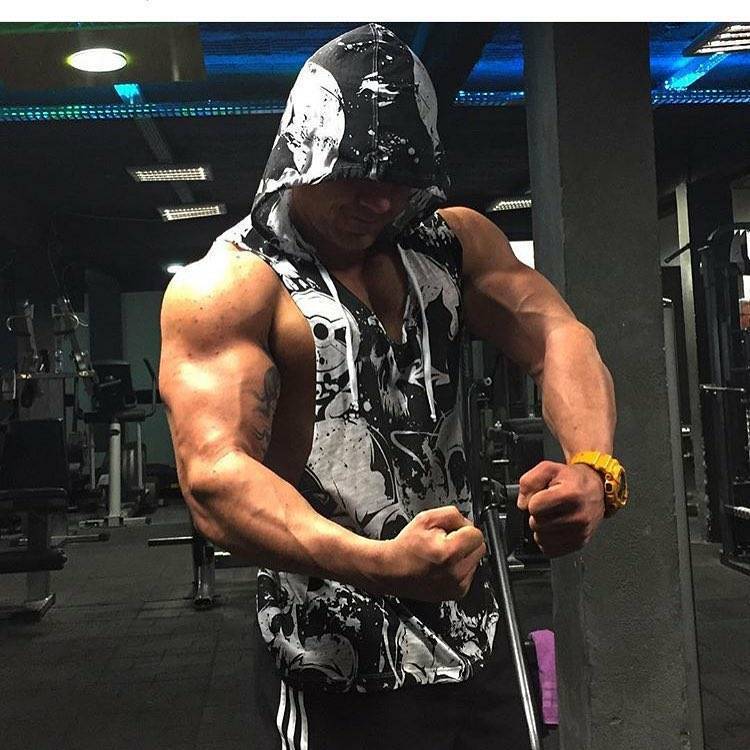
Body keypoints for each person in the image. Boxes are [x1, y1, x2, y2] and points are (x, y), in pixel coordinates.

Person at [159, 23, 621, 750]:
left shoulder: (450, 242)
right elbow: (215, 479)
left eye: (398, 182)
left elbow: (561, 336)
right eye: (354, 176)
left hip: (474, 633)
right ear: (302, 156)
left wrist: (594, 466)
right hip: (332, 656)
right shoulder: (232, 285)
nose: (378, 201)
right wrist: (378, 565)